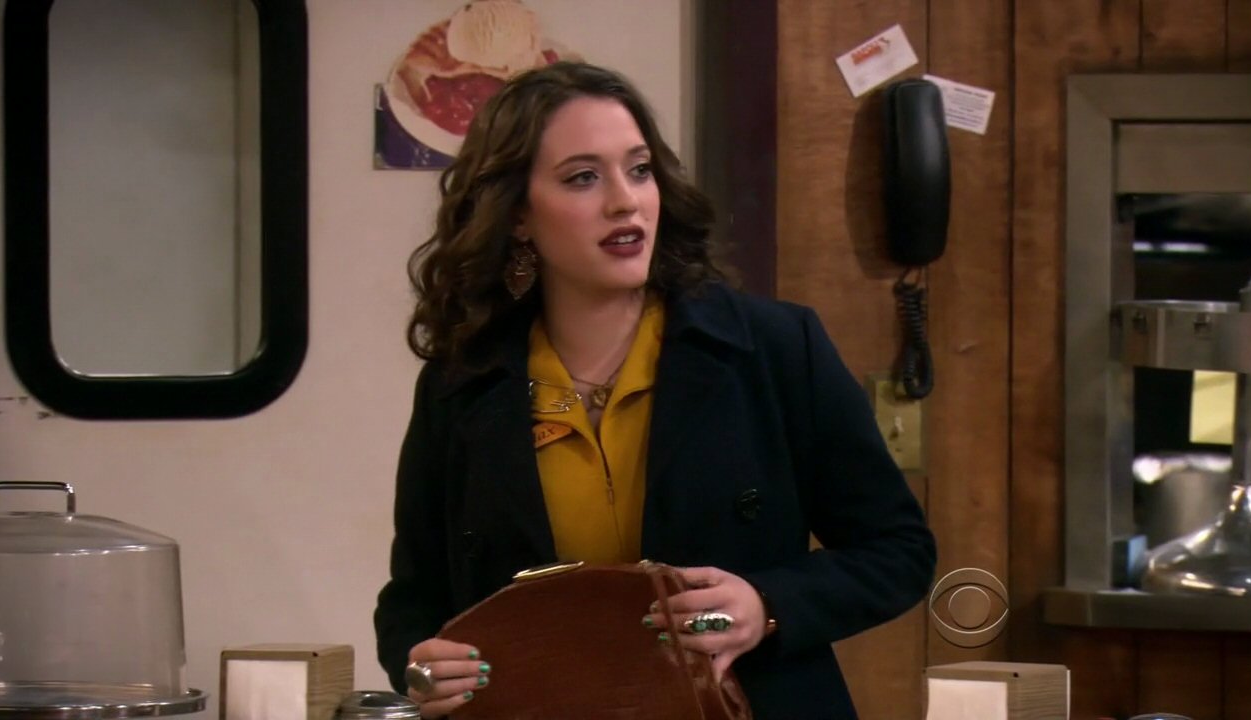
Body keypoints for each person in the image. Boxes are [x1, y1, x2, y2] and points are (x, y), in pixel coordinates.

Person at [374, 60, 936, 720]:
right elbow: (413, 600)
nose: (626, 201)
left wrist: (767, 604)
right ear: (518, 214)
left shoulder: (774, 348)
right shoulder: (462, 382)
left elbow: (898, 551)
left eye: (639, 170)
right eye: (583, 177)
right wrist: (420, 666)